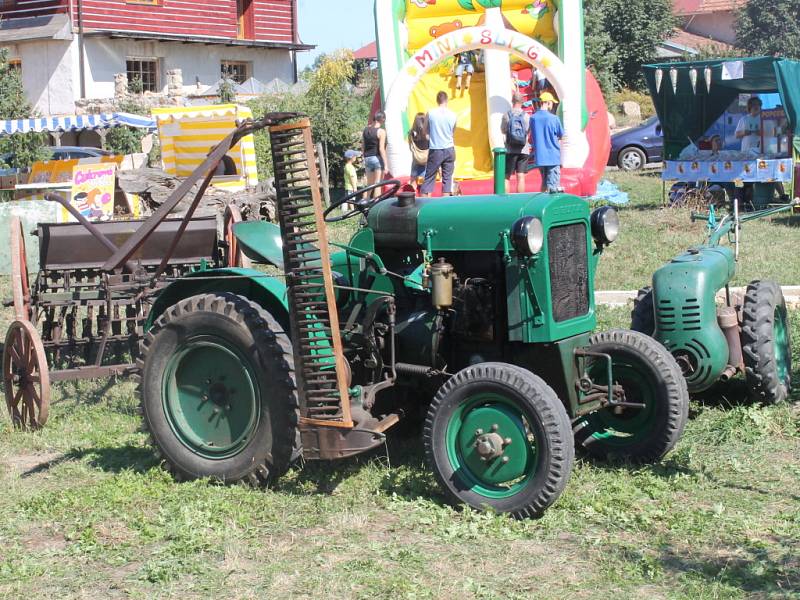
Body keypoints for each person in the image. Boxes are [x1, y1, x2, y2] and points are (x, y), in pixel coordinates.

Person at [421, 91, 457, 197]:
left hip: (436, 149)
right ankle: (445, 207)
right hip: (449, 149)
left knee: (429, 178)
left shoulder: (431, 113)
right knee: (447, 179)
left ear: (437, 100)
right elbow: (452, 132)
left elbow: (424, 131)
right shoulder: (453, 115)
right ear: (447, 100)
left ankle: (424, 205)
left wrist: (430, 138)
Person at [529, 91, 564, 193]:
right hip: (553, 156)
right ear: (548, 102)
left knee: (544, 185)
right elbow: (561, 135)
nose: (552, 104)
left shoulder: (533, 118)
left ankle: (541, 205)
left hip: (540, 156)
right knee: (553, 187)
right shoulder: (554, 118)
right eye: (552, 102)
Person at [500, 92, 530, 193]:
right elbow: (528, 131)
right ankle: (520, 200)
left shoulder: (506, 115)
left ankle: (505, 201)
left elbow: (503, 130)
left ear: (512, 101)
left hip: (510, 149)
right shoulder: (526, 116)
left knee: (506, 177)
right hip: (523, 149)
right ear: (522, 102)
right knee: (521, 176)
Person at [362, 111, 388, 197]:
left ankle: (365, 202)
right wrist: (386, 164)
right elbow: (381, 149)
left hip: (367, 158)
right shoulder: (381, 132)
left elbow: (363, 146)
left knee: (369, 185)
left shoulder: (365, 130)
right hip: (377, 158)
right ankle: (376, 204)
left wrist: (364, 157)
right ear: (382, 119)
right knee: (377, 184)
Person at [408, 112, 429, 186]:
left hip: (416, 159)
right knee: (424, 181)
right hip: (426, 158)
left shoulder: (411, 132)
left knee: (413, 179)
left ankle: (413, 194)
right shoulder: (427, 132)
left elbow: (410, 146)